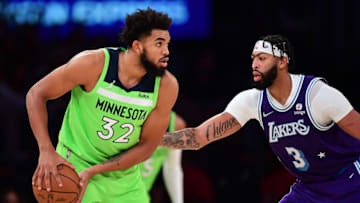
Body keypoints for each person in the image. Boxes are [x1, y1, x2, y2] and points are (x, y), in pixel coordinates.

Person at [160, 34, 360, 202]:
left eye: (262, 58)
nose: (255, 64)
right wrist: (154, 141)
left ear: (282, 61)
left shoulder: (316, 94)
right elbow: (199, 137)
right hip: (310, 189)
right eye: (253, 58)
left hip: (350, 181)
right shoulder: (252, 101)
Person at [26, 7, 178, 203]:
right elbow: (36, 94)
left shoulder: (166, 86)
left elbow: (148, 146)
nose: (166, 52)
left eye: (167, 44)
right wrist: (46, 149)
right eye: (159, 44)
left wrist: (96, 170)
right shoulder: (92, 64)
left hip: (124, 178)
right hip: (75, 168)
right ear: (138, 46)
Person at [139, 111, 186, 203]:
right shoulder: (133, 115)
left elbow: (172, 167)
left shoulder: (176, 124)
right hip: (109, 191)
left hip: (140, 196)